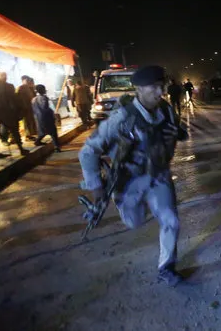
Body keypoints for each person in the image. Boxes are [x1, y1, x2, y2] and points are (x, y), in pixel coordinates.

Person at [79, 65, 188, 286]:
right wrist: (96, 186)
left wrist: (177, 133)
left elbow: (180, 131)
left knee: (171, 220)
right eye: (154, 87)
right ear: (138, 89)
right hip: (130, 180)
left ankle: (166, 267)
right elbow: (88, 150)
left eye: (162, 86)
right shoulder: (122, 117)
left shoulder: (166, 110)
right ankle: (125, 204)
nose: (160, 92)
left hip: (159, 176)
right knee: (134, 222)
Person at [0, 72, 28, 155]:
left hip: (8, 112)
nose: (5, 78)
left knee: (14, 130)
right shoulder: (9, 86)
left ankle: (21, 148)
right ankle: (20, 148)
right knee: (14, 130)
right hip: (8, 112)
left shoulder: (9, 86)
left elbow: (15, 99)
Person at [32, 85, 61, 152]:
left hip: (38, 118)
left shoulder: (33, 99)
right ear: (42, 90)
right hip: (46, 117)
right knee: (53, 132)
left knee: (42, 132)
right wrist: (52, 113)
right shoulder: (44, 97)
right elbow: (45, 107)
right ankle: (56, 147)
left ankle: (37, 141)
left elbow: (34, 110)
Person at [17, 75, 37, 140]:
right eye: (26, 80)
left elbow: (33, 96)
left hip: (30, 106)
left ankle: (31, 134)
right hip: (25, 108)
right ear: (23, 80)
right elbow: (19, 98)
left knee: (31, 121)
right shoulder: (20, 88)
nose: (28, 81)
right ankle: (28, 135)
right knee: (27, 122)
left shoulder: (29, 88)